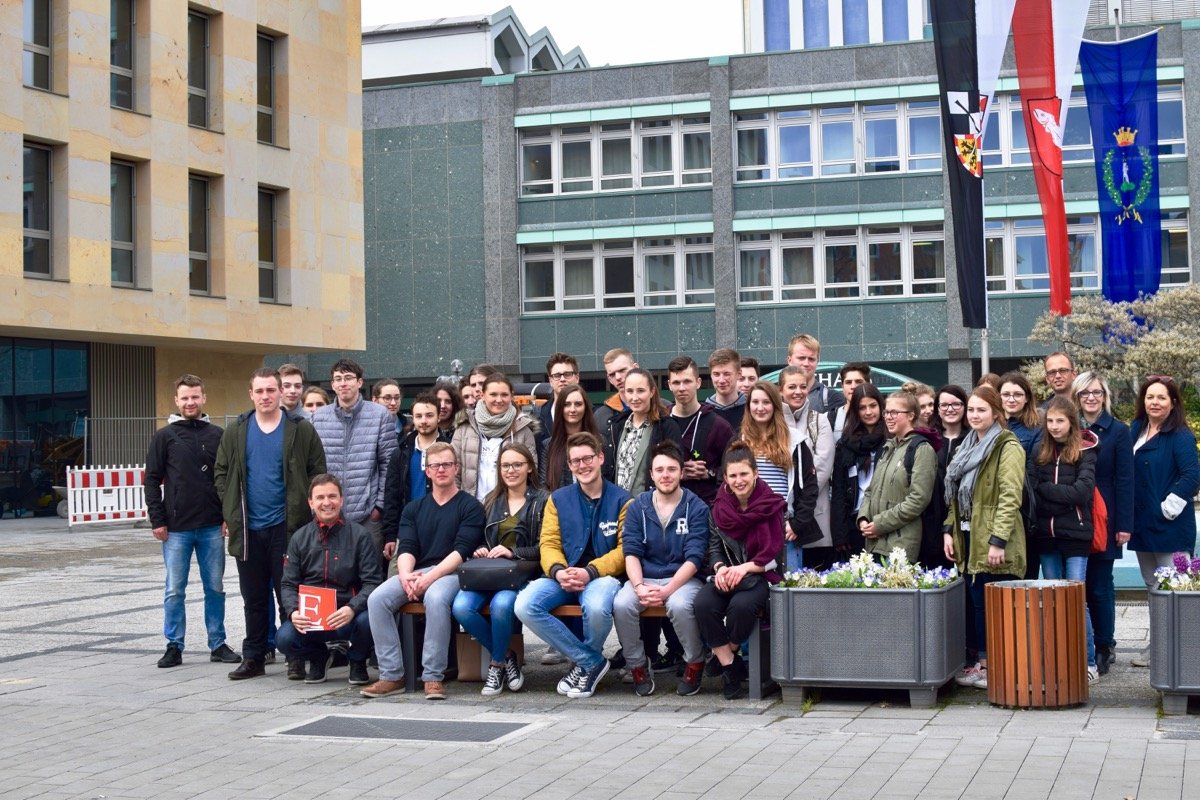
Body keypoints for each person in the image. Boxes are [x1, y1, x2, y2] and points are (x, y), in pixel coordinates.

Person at [215, 367, 326, 680]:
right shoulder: (236, 431)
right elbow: (221, 472)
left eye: (270, 390)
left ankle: (294, 657)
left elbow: (318, 469)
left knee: (287, 595)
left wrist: (309, 509)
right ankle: (254, 657)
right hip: (248, 530)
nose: (265, 396)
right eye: (259, 391)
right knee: (252, 598)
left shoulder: (300, 429)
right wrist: (231, 507)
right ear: (251, 394)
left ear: (281, 393)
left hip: (288, 529)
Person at [361, 442, 485, 700]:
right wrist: (405, 575)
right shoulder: (414, 509)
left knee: (436, 597)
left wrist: (429, 578)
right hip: (417, 572)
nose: (441, 470)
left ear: (456, 468)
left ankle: (432, 676)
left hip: (453, 573)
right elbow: (407, 547)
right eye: (435, 465)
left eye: (447, 464)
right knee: (377, 599)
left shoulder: (471, 506)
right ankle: (391, 674)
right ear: (427, 471)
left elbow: (461, 551)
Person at [514, 432, 632, 700]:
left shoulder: (623, 500)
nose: (583, 465)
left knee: (598, 607)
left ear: (600, 458)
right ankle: (591, 661)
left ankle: (584, 667)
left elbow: (625, 550)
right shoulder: (558, 499)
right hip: (562, 574)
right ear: (569, 465)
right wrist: (557, 570)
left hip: (602, 576)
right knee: (524, 605)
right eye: (576, 461)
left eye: (588, 458)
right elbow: (549, 542)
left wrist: (589, 571)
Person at [144, 373, 240, 668]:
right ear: (176, 400)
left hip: (212, 526)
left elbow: (228, 478)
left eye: (195, 397)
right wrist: (157, 519)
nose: (190, 402)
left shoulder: (217, 435)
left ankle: (218, 643)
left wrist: (227, 516)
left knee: (215, 588)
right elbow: (151, 480)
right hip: (176, 529)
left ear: (203, 398)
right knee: (174, 589)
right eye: (185, 398)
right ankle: (174, 645)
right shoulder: (164, 437)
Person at [943, 385, 1027, 691]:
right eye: (971, 410)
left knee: (992, 609)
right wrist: (949, 530)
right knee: (976, 606)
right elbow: (956, 497)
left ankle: (996, 667)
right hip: (967, 540)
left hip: (993, 541)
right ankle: (983, 664)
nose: (975, 415)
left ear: (996, 413)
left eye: (981, 410)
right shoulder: (967, 444)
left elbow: (1010, 496)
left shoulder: (1008, 446)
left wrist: (998, 540)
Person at [612, 442, 709, 697]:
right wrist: (639, 586)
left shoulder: (696, 508)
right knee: (622, 604)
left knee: (678, 605)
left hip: (683, 580)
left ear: (681, 473)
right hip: (644, 577)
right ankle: (638, 666)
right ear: (652, 474)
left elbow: (695, 558)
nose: (665, 475)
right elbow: (630, 552)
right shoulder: (638, 506)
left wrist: (667, 590)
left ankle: (695, 661)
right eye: (660, 470)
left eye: (671, 469)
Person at [452, 442, 547, 696]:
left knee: (501, 606)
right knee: (461, 607)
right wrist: (482, 548)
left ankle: (495, 666)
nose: (511, 470)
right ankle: (506, 655)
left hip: (523, 574)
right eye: (505, 465)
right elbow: (480, 536)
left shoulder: (543, 500)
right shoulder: (491, 500)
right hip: (490, 573)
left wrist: (512, 552)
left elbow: (545, 546)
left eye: (517, 464)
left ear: (529, 468)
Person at [693, 441, 786, 700]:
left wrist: (743, 569)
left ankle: (725, 656)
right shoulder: (718, 507)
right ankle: (730, 664)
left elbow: (774, 556)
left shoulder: (772, 505)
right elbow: (714, 547)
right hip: (728, 574)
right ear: (725, 477)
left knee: (741, 607)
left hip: (760, 575)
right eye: (732, 475)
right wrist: (721, 568)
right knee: (702, 603)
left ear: (755, 473)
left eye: (744, 474)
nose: (739, 480)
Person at [277, 474, 384, 685]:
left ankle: (357, 660)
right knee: (284, 639)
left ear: (342, 500)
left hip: (348, 614)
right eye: (320, 497)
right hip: (312, 618)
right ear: (311, 503)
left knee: (369, 618)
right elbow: (288, 583)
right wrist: (293, 612)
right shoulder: (299, 538)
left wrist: (352, 608)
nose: (327, 503)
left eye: (332, 496)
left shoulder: (360, 536)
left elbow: (373, 582)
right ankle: (318, 657)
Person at [1128, 375, 1200, 667]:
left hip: (1170, 525)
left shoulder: (1180, 435)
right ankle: (1158, 647)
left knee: (1177, 588)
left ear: (1172, 403)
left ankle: (1184, 652)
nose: (1154, 402)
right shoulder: (1136, 429)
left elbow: (1192, 476)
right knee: (1152, 587)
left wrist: (1166, 508)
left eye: (1161, 398)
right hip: (1142, 524)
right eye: (1149, 397)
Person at [1028, 397, 1100, 683]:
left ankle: (1089, 661)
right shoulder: (1038, 449)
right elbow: (1033, 487)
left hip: (1076, 536)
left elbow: (1083, 492)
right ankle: (1055, 661)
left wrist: (1051, 494)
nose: (1055, 426)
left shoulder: (1086, 450)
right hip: (1046, 535)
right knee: (1051, 598)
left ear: (1071, 422)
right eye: (1050, 421)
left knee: (1076, 598)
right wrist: (1061, 498)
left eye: (1060, 421)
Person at [1074, 371, 1133, 675]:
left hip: (1104, 515)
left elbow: (1125, 478)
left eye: (1096, 392)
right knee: (1077, 585)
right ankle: (1079, 644)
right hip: (1073, 514)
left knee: (1099, 585)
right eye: (1085, 393)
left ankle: (1104, 645)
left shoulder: (1118, 431)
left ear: (1105, 396)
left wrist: (1124, 523)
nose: (1091, 398)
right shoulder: (1069, 427)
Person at [311, 359, 398, 560]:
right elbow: (313, 466)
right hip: (328, 512)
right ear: (332, 385)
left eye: (349, 378)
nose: (343, 383)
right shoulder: (318, 418)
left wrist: (379, 506)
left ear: (359, 382)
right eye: (338, 379)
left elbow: (389, 465)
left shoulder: (379, 415)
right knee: (330, 574)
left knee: (369, 575)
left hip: (368, 515)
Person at [857, 391, 936, 563]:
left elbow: (918, 499)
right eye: (886, 412)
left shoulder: (922, 449)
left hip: (901, 545)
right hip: (874, 542)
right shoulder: (888, 447)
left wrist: (880, 524)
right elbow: (871, 490)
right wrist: (863, 518)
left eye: (894, 412)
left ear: (911, 416)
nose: (888, 417)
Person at [381, 393, 452, 562]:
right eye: (418, 416)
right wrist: (390, 535)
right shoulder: (401, 452)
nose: (424, 421)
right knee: (397, 580)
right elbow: (391, 495)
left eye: (429, 415)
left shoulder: (450, 450)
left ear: (438, 417)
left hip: (440, 530)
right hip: (407, 530)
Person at [777, 366, 835, 571]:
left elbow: (822, 467)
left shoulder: (819, 421)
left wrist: (799, 514)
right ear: (781, 390)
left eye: (803, 386)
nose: (798, 391)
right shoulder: (772, 422)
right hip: (777, 515)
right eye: (791, 386)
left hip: (813, 513)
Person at [453, 372, 539, 500]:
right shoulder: (465, 427)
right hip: (470, 507)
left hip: (507, 508)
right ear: (482, 395)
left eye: (504, 395)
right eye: (493, 394)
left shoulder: (523, 430)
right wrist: (459, 504)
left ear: (511, 396)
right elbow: (454, 471)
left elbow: (531, 473)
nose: (499, 400)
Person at [602, 368, 682, 496]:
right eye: (629, 391)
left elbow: (673, 472)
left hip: (651, 507)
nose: (634, 397)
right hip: (619, 507)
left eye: (640, 391)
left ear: (652, 392)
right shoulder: (616, 426)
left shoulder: (667, 426)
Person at [667, 356, 734, 506]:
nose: (682, 388)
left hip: (707, 507)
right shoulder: (660, 422)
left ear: (698, 383)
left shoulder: (718, 425)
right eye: (676, 383)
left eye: (687, 381)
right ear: (669, 385)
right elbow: (648, 467)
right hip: (668, 506)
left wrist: (709, 473)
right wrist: (676, 473)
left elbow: (736, 464)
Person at [829, 384, 886, 557]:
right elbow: (838, 490)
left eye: (873, 406)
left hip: (885, 518)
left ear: (881, 406)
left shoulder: (892, 439)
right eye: (862, 407)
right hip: (854, 522)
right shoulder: (845, 444)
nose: (868, 412)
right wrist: (839, 534)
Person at [541, 383, 602, 492]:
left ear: (585, 407)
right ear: (560, 408)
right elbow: (543, 487)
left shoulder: (600, 442)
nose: (572, 409)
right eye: (567, 404)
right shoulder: (549, 446)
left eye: (578, 404)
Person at [786, 333, 844, 413]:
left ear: (817, 362)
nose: (806, 363)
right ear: (789, 360)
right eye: (801, 358)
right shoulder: (774, 399)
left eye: (811, 359)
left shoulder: (832, 398)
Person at [538, 353, 581, 446]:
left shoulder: (595, 415)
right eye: (557, 375)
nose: (562, 379)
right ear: (550, 381)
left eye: (567, 374)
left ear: (577, 378)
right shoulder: (539, 417)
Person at [999, 371, 1042, 457]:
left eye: (1017, 395)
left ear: (1027, 398)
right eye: (1006, 394)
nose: (1011, 400)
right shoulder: (991, 425)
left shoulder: (1037, 427)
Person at [704, 348, 747, 430]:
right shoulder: (703, 413)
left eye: (727, 374)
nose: (721, 380)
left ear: (739, 374)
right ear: (711, 375)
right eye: (716, 374)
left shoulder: (752, 410)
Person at [594, 348, 636, 430]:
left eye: (622, 370)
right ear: (609, 379)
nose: (618, 377)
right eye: (612, 374)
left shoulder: (664, 407)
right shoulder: (600, 416)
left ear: (635, 368)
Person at [829, 362, 871, 441]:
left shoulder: (881, 417)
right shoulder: (830, 418)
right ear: (842, 386)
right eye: (848, 382)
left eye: (858, 382)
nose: (853, 386)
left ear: (868, 384)